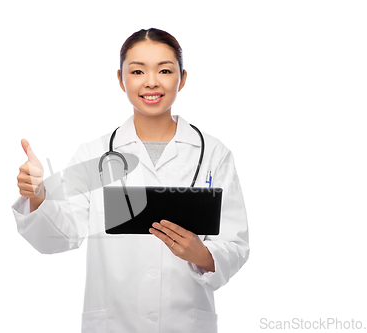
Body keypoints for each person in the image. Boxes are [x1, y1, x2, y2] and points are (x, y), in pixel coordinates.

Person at [12, 28, 249, 333]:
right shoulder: (95, 153)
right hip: (114, 323)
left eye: (165, 70)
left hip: (186, 323)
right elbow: (60, 236)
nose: (151, 81)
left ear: (183, 78)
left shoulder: (214, 153)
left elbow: (236, 243)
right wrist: (39, 194)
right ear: (121, 79)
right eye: (137, 71)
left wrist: (201, 254)